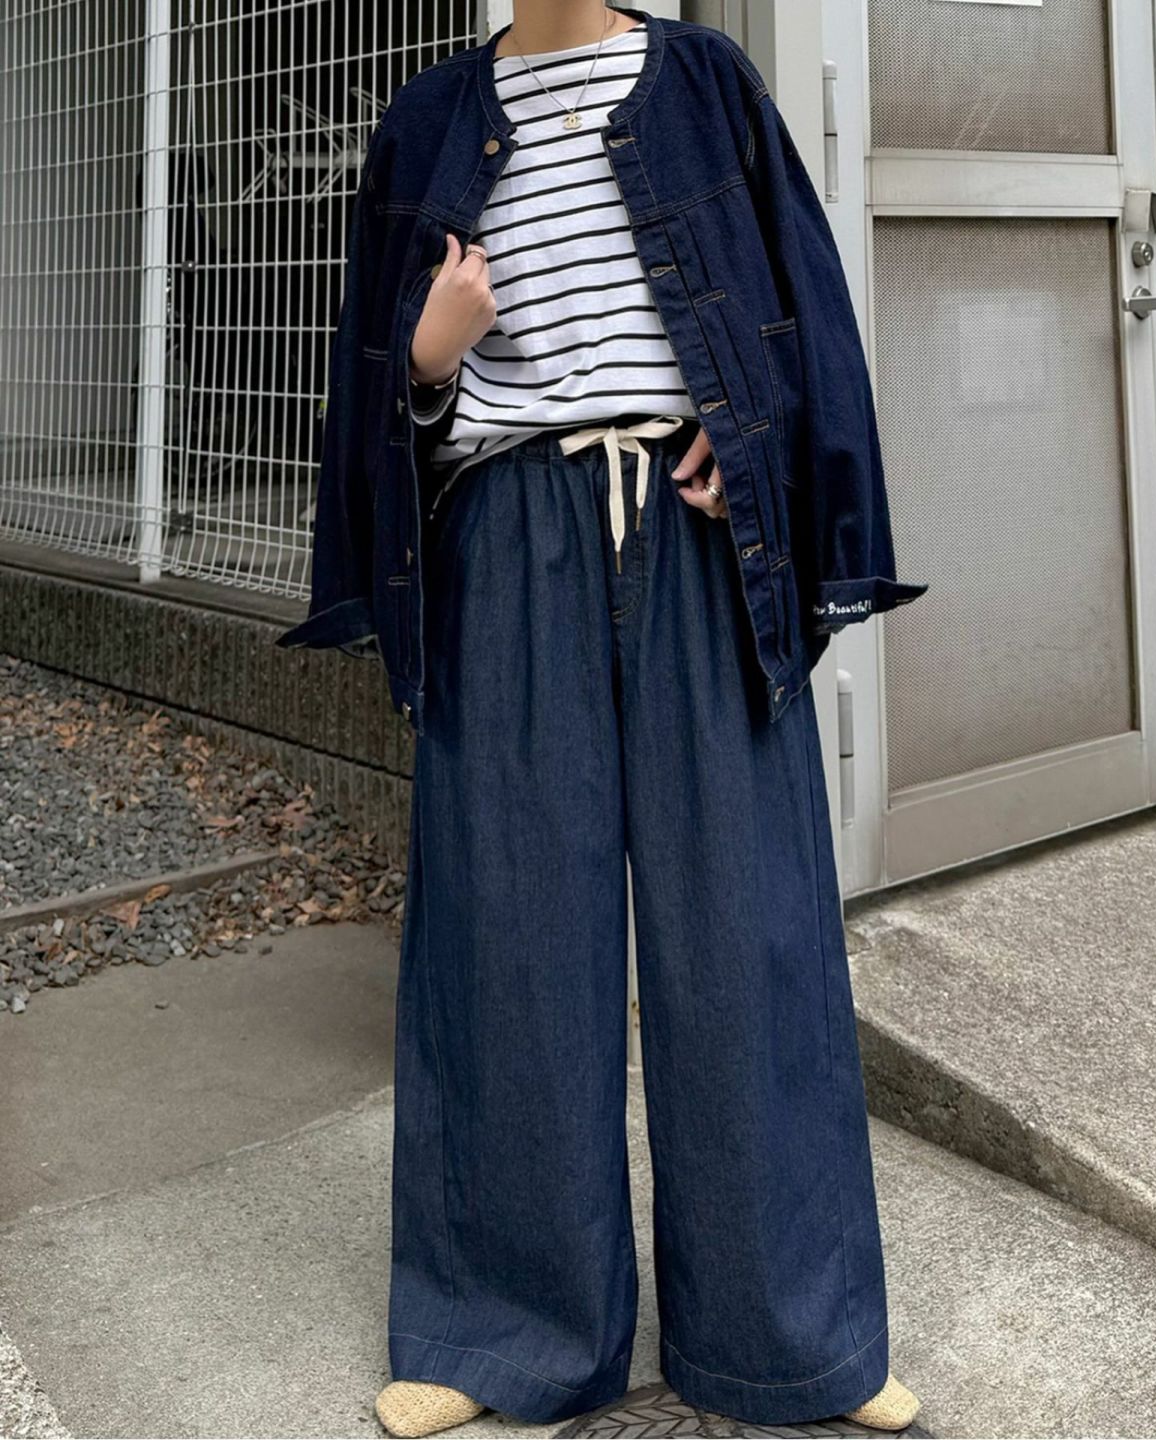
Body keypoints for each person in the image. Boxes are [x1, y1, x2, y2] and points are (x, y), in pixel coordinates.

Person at [282, 3, 929, 1435]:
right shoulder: (429, 122)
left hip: (700, 542)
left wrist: (751, 447)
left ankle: (798, 1341)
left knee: (750, 928)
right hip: (509, 537)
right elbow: (371, 395)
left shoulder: (706, 82)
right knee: (507, 931)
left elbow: (800, 315)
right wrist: (431, 358)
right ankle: (498, 1336)